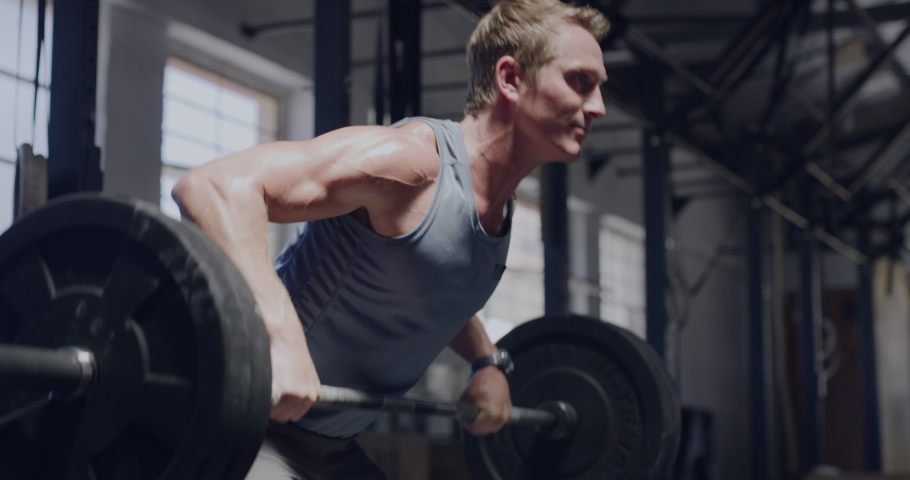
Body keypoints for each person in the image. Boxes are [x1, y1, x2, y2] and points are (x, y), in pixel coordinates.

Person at [172, 0, 609, 478]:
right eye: (580, 82)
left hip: (331, 443)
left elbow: (437, 285)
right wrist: (279, 334)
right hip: (245, 422)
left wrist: (488, 361)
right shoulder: (412, 164)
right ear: (510, 78)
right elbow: (214, 186)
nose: (599, 108)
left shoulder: (500, 210)